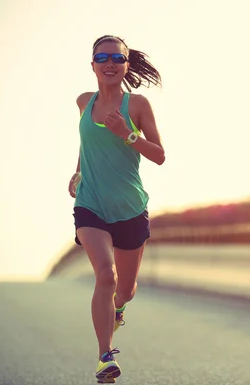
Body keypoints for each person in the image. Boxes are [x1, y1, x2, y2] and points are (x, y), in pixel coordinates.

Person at [68, 34, 165, 383]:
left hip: (130, 208)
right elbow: (86, 141)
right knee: (105, 276)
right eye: (102, 57)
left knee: (124, 289)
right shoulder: (84, 102)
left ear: (125, 65)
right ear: (92, 64)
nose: (110, 63)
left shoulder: (136, 105)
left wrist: (127, 132)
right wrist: (78, 171)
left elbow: (159, 155)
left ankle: (119, 308)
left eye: (117, 58)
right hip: (91, 204)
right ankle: (104, 357)